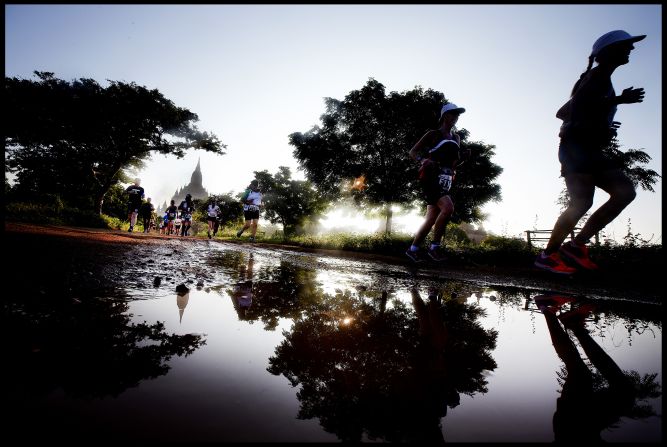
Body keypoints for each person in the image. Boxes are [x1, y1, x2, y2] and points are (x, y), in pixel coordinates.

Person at [535, 30, 646, 274]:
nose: (632, 49)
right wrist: (618, 101)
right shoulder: (597, 77)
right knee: (582, 201)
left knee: (625, 192)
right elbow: (579, 106)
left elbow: (564, 112)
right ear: (609, 51)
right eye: (626, 45)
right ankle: (548, 255)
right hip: (576, 148)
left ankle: (575, 247)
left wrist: (602, 124)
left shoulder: (598, 79)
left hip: (589, 147)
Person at [533, 294, 637, 442]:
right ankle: (571, 322)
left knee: (581, 375)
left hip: (571, 430)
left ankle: (549, 310)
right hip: (581, 428)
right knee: (623, 394)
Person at [405, 103, 470, 262]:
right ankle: (434, 249)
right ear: (444, 116)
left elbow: (454, 164)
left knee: (431, 219)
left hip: (446, 180)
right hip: (431, 178)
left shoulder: (456, 138)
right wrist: (423, 159)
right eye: (452, 114)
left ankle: (412, 250)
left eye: (457, 115)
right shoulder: (433, 134)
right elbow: (412, 152)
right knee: (448, 208)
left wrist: (464, 159)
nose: (455, 118)